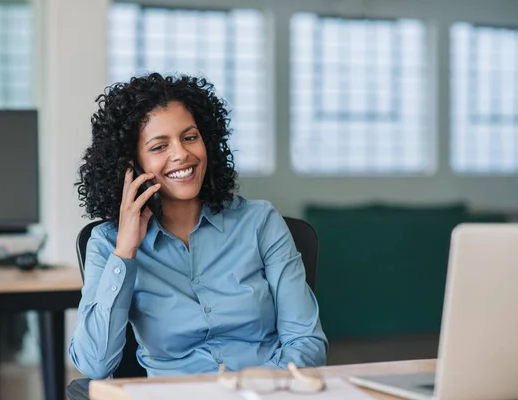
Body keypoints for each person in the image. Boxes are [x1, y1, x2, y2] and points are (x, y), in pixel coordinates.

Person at [69, 73, 328, 379]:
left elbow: (306, 342)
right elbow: (94, 364)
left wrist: (257, 388)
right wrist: (125, 252)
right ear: (131, 165)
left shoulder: (260, 222)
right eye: (158, 147)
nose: (181, 154)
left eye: (190, 137)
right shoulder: (107, 243)